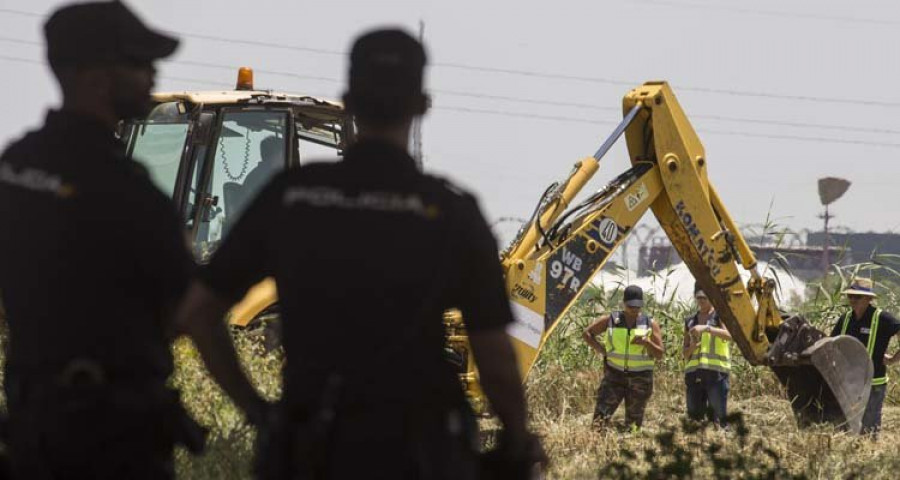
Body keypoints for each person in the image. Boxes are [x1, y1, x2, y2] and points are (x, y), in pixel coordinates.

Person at [174, 28, 544, 479]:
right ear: (421, 105)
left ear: (348, 99)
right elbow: (496, 361)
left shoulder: (291, 198)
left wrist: (257, 410)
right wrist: (518, 441)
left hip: (311, 447)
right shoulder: (451, 212)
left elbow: (197, 312)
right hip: (418, 451)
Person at [0, 2, 264, 477]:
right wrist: (257, 409)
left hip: (32, 427)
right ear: (97, 78)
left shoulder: (15, 167)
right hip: (114, 442)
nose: (151, 73)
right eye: (139, 62)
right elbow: (196, 316)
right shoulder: (128, 194)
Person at [583, 285, 664, 430]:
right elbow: (587, 334)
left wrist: (647, 342)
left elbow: (659, 354)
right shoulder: (611, 320)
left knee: (633, 426)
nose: (634, 309)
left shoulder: (650, 324)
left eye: (637, 306)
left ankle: (629, 449)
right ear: (624, 303)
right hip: (614, 376)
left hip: (640, 380)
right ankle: (599, 446)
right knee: (599, 421)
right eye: (631, 306)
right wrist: (601, 350)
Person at [831, 277, 900, 436]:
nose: (853, 300)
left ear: (869, 299)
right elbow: (830, 344)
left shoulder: (882, 318)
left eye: (858, 296)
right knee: (844, 430)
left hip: (873, 384)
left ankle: (871, 458)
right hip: (848, 384)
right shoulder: (845, 319)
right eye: (850, 296)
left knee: (869, 432)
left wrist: (893, 359)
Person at [682, 283, 731, 425]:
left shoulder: (719, 316)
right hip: (694, 374)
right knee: (695, 418)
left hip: (716, 373)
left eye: (705, 297)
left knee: (718, 418)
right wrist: (691, 347)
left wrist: (707, 328)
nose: (702, 301)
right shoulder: (690, 321)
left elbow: (729, 335)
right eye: (699, 297)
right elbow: (684, 353)